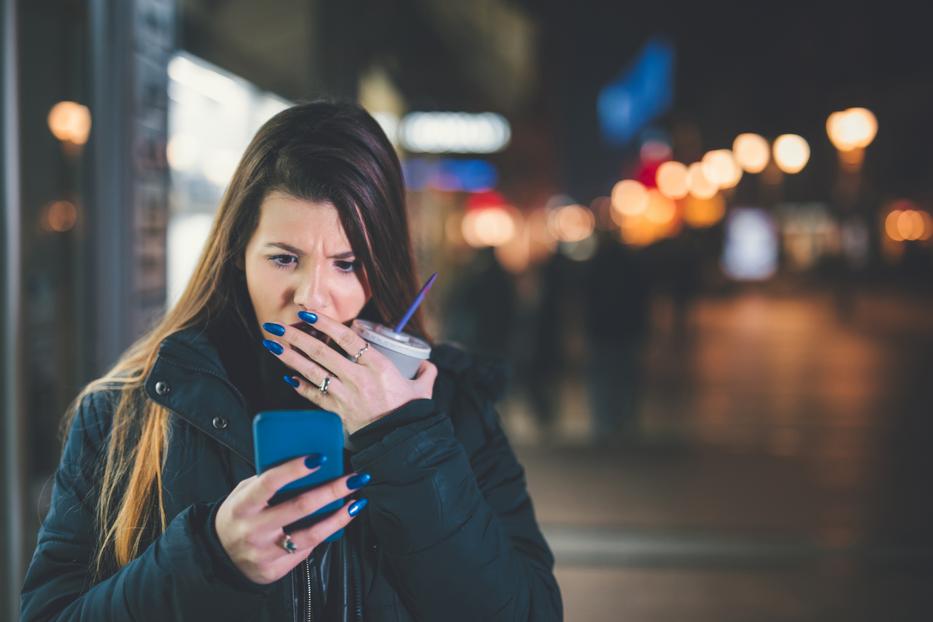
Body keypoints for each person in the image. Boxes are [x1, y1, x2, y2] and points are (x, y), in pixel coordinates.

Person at [20, 101, 562, 621]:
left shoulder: (452, 408)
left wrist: (407, 442)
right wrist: (207, 560)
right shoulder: (125, 411)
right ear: (237, 253)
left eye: (347, 263)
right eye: (284, 258)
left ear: (382, 267)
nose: (311, 297)